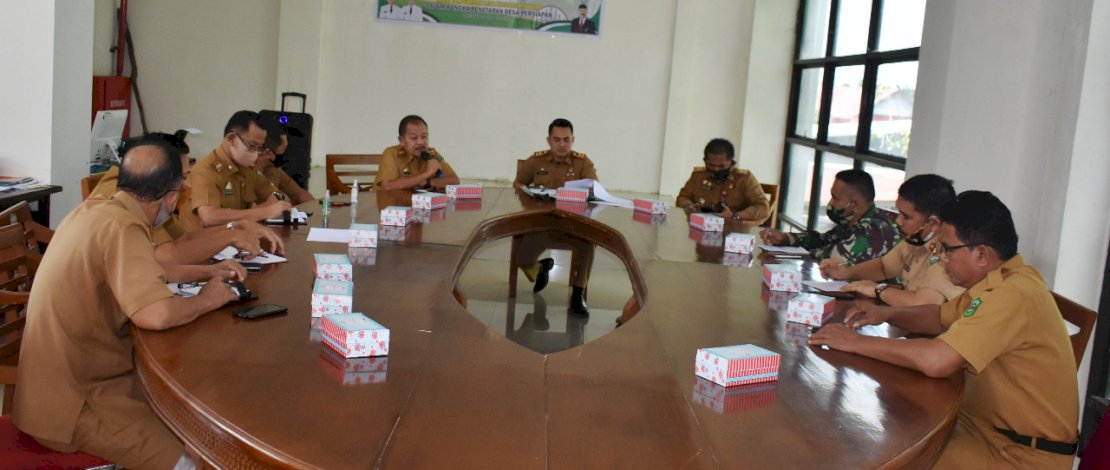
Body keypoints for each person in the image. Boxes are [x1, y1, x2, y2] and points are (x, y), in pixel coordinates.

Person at [12, 135, 242, 469]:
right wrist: (208, 300)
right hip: (76, 403)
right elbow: (157, 313)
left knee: (195, 418)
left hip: (62, 386)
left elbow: (147, 270)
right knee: (198, 459)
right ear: (171, 194)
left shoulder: (97, 210)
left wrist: (203, 275)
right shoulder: (123, 226)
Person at [810, 191, 1079, 469]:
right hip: (978, 428)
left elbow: (937, 360)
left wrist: (855, 343)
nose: (941, 259)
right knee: (880, 440)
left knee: (885, 456)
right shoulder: (998, 282)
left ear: (982, 253)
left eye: (947, 249)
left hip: (1018, 455)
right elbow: (939, 317)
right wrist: (885, 313)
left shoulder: (1013, 294)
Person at [91, 131, 285, 268]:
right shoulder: (127, 195)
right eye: (182, 177)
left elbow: (183, 238)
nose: (186, 185)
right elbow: (166, 256)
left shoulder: (153, 193)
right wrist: (230, 236)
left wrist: (235, 227)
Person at [819, 174, 963, 306]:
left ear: (934, 224)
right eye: (899, 213)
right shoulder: (916, 241)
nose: (898, 221)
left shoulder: (947, 254)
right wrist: (846, 272)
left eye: (906, 217)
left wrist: (879, 290)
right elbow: (883, 267)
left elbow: (922, 304)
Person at [513, 118, 596, 317]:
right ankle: (541, 268)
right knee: (522, 258)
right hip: (540, 225)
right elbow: (517, 185)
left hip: (571, 225)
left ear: (573, 140)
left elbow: (595, 191)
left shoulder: (582, 163)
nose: (561, 145)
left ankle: (578, 294)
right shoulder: (535, 161)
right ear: (549, 140)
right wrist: (530, 197)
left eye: (566, 140)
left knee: (589, 243)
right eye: (557, 140)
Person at [761, 169, 898, 264]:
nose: (831, 203)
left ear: (854, 204)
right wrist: (786, 238)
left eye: (835, 198)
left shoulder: (874, 229)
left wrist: (795, 253)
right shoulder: (851, 221)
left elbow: (833, 257)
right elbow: (824, 240)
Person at [183, 110, 292, 227]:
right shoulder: (205, 170)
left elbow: (279, 195)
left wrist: (276, 201)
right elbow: (210, 217)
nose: (256, 153)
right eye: (252, 146)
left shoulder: (248, 169)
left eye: (259, 148)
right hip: (207, 241)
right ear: (231, 139)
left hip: (237, 237)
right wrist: (264, 212)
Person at [676, 138, 769, 223]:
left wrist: (735, 216)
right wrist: (690, 207)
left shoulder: (744, 179)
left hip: (734, 230)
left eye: (721, 166)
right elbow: (682, 198)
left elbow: (763, 208)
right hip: (701, 225)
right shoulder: (698, 176)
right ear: (704, 161)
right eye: (711, 165)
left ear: (731, 162)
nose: (716, 169)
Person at [375, 115, 460, 191]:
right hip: (391, 205)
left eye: (424, 137)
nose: (420, 142)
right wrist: (425, 175)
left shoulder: (431, 154)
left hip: (419, 205)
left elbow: (454, 180)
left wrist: (427, 182)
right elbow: (387, 186)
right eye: (414, 138)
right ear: (402, 140)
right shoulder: (391, 153)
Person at [258, 118, 315, 205]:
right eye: (284, 150)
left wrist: (315, 209)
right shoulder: (250, 172)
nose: (286, 155)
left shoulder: (275, 171)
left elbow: (299, 194)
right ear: (268, 152)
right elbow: (280, 198)